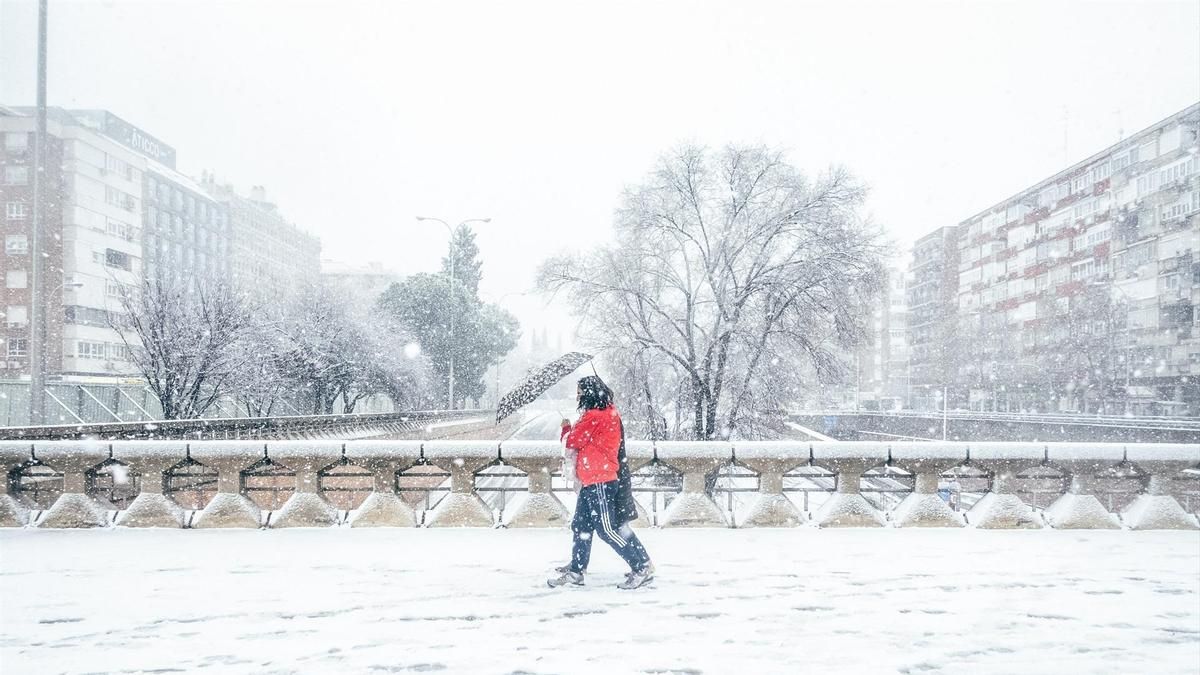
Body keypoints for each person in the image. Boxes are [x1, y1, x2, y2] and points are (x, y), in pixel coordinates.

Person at [547, 376, 654, 590]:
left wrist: (566, 428)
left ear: (588, 393)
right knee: (581, 525)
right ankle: (576, 571)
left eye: (580, 391)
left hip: (600, 481)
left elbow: (571, 442)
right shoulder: (607, 412)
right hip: (593, 480)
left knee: (607, 529)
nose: (577, 396)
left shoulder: (594, 416)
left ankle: (640, 567)